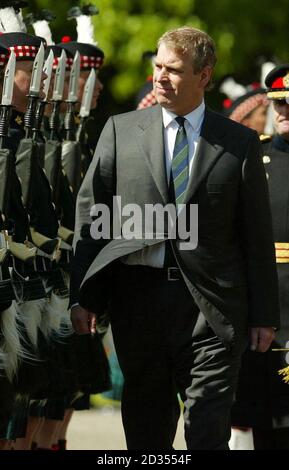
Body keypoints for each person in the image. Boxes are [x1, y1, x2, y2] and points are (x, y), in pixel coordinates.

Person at [70, 26, 280, 450]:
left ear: (205, 75)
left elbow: (257, 235)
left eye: (175, 70)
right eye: (158, 67)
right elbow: (93, 216)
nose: (160, 77)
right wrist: (83, 294)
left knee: (206, 427)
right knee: (147, 434)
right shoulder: (120, 131)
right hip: (139, 302)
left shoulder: (238, 144)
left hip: (213, 307)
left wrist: (264, 314)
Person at [230, 64, 289, 450]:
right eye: (279, 105)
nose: (283, 113)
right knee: (271, 421)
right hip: (273, 308)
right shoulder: (259, 158)